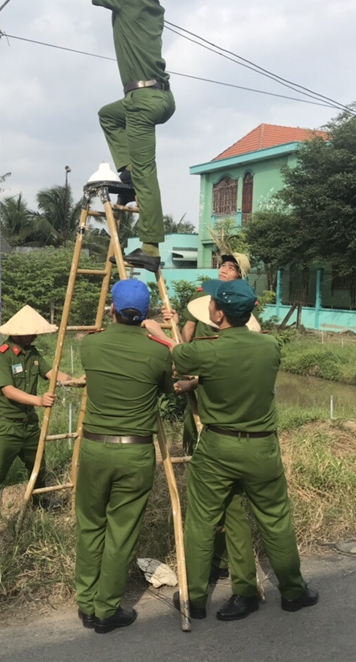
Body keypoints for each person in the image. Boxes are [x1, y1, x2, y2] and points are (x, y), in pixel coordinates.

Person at [171, 279, 318, 620]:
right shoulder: (269, 347)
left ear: (218, 314)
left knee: (203, 521)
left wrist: (164, 327)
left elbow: (179, 354)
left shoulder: (204, 351)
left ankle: (194, 600)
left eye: (212, 304)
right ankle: (294, 591)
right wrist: (201, 381)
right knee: (276, 519)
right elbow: (235, 370)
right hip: (262, 447)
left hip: (218, 448)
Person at [76, 279, 174, 633]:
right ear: (147, 314)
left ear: (111, 310)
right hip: (135, 451)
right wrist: (161, 335)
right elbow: (168, 387)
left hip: (94, 447)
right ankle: (107, 609)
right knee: (121, 531)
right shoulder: (158, 352)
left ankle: (86, 603)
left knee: (90, 525)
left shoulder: (91, 345)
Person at [70, 0, 175, 273]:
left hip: (143, 102)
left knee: (148, 172)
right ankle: (126, 172)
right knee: (108, 115)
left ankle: (151, 248)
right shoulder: (149, 4)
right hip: (153, 97)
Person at [166, 251, 260, 593]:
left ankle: (218, 566)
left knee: (225, 500)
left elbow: (234, 362)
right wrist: (179, 325)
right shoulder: (203, 300)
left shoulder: (244, 312)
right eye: (223, 265)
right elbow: (186, 346)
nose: (224, 269)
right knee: (206, 488)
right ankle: (210, 565)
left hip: (226, 410)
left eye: (231, 267)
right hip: (202, 400)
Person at [0, 305, 85, 538]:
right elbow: (8, 390)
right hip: (5, 428)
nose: (35, 336)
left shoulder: (33, 354)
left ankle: (40, 503)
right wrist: (38, 400)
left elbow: (52, 374)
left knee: (38, 466)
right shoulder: (0, 355)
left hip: (29, 426)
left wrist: (74, 381)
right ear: (18, 331)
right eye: (32, 332)